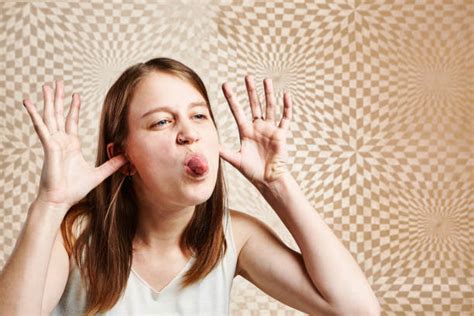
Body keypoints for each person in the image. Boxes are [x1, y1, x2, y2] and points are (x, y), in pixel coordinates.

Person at [0, 57, 380, 315]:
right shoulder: (74, 236)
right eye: (162, 122)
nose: (189, 134)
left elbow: (356, 309)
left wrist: (277, 184)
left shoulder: (235, 237)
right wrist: (50, 204)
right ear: (124, 157)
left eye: (199, 115)